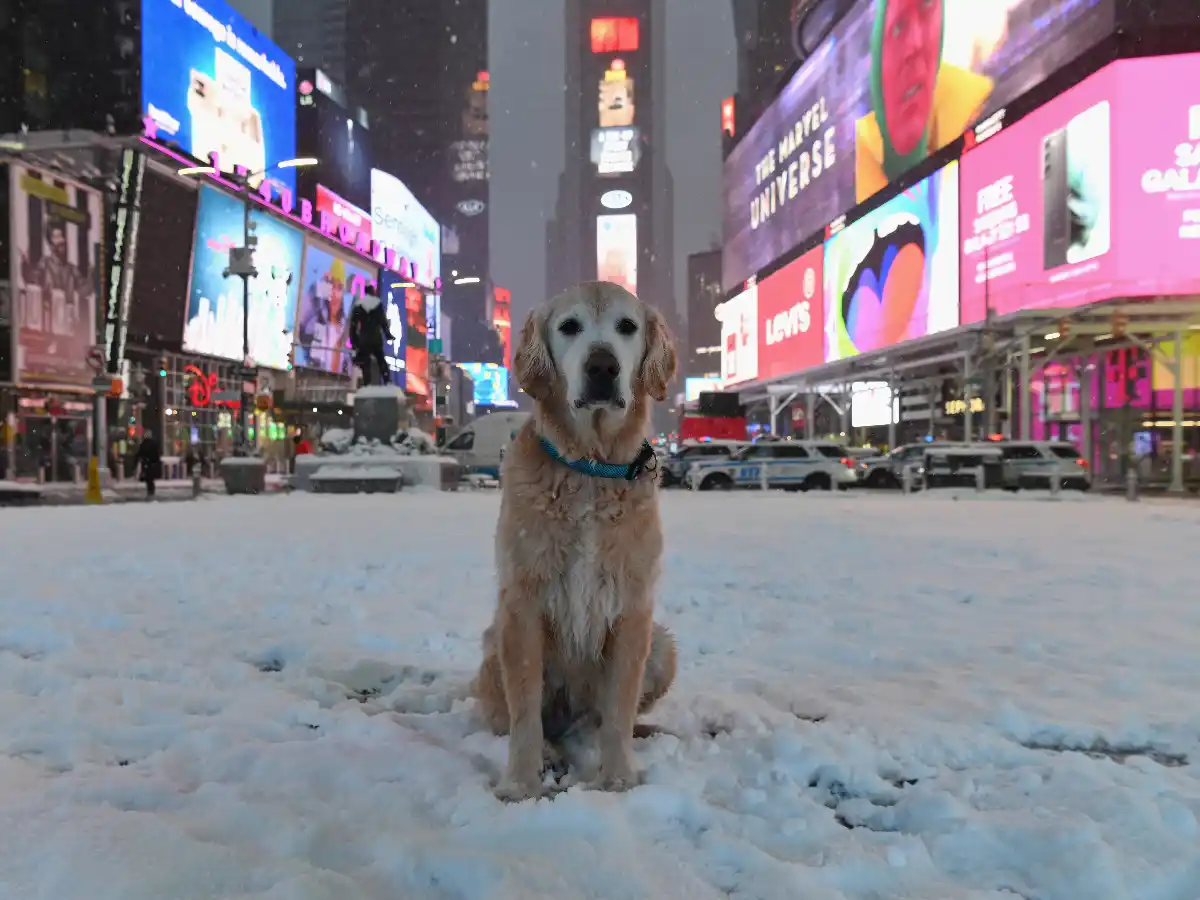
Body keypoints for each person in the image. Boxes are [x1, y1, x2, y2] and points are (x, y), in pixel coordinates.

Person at [349, 284, 394, 386]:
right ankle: (388, 381)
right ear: (372, 292)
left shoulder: (358, 305)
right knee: (381, 359)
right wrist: (388, 335)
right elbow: (383, 322)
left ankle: (367, 383)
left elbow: (353, 325)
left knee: (365, 361)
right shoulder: (378, 304)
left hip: (364, 338)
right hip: (376, 338)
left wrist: (354, 342)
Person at [136, 430, 162, 500]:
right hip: (151, 464)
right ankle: (151, 492)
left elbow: (140, 453)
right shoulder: (153, 444)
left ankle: (150, 492)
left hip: (146, 464)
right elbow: (157, 454)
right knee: (151, 479)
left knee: (148, 479)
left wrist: (140, 459)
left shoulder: (144, 443)